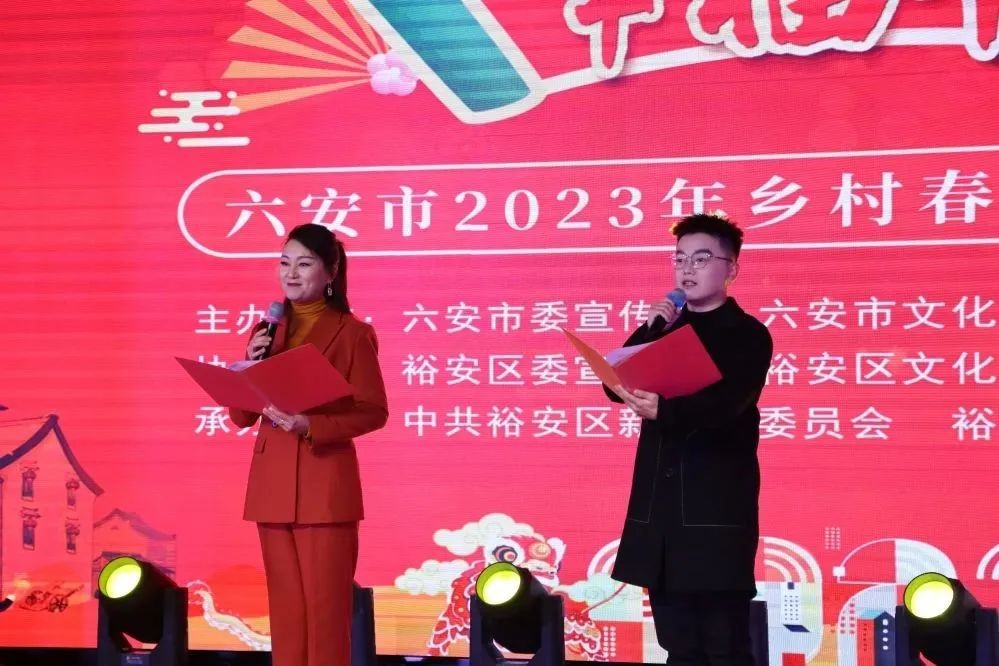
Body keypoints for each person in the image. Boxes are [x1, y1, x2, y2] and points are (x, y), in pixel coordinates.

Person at [605, 212, 773, 666]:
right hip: (661, 517)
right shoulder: (667, 328)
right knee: (678, 647)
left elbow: (729, 404)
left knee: (724, 647)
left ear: (731, 268)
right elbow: (614, 385)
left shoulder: (747, 334)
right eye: (680, 259)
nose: (687, 269)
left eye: (701, 258)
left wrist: (667, 410)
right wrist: (651, 327)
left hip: (715, 513)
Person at [229, 223, 388, 666]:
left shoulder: (352, 333)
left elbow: (373, 411)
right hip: (272, 488)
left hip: (324, 487)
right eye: (284, 263)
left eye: (304, 264)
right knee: (286, 615)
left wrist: (310, 424)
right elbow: (241, 416)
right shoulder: (266, 330)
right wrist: (247, 369)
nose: (291, 274)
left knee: (325, 614)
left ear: (331, 272)